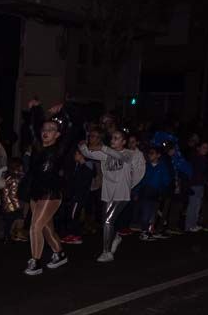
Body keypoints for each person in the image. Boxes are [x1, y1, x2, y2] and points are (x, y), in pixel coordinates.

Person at [21, 110, 76, 275]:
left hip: (51, 193)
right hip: (35, 191)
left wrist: (65, 108)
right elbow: (31, 127)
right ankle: (60, 253)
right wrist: (34, 110)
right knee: (46, 227)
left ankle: (35, 262)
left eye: (51, 129)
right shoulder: (37, 147)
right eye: (44, 128)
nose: (46, 131)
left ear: (58, 134)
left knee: (35, 226)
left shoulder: (59, 149)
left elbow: (72, 128)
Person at [81, 129, 144, 263]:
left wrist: (102, 147)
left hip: (122, 193)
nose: (113, 140)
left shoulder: (129, 153)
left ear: (123, 142)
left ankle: (107, 252)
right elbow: (88, 153)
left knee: (108, 221)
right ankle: (115, 237)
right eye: (112, 138)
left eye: (117, 138)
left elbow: (120, 157)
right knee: (106, 221)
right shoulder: (105, 154)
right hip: (108, 192)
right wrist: (81, 144)